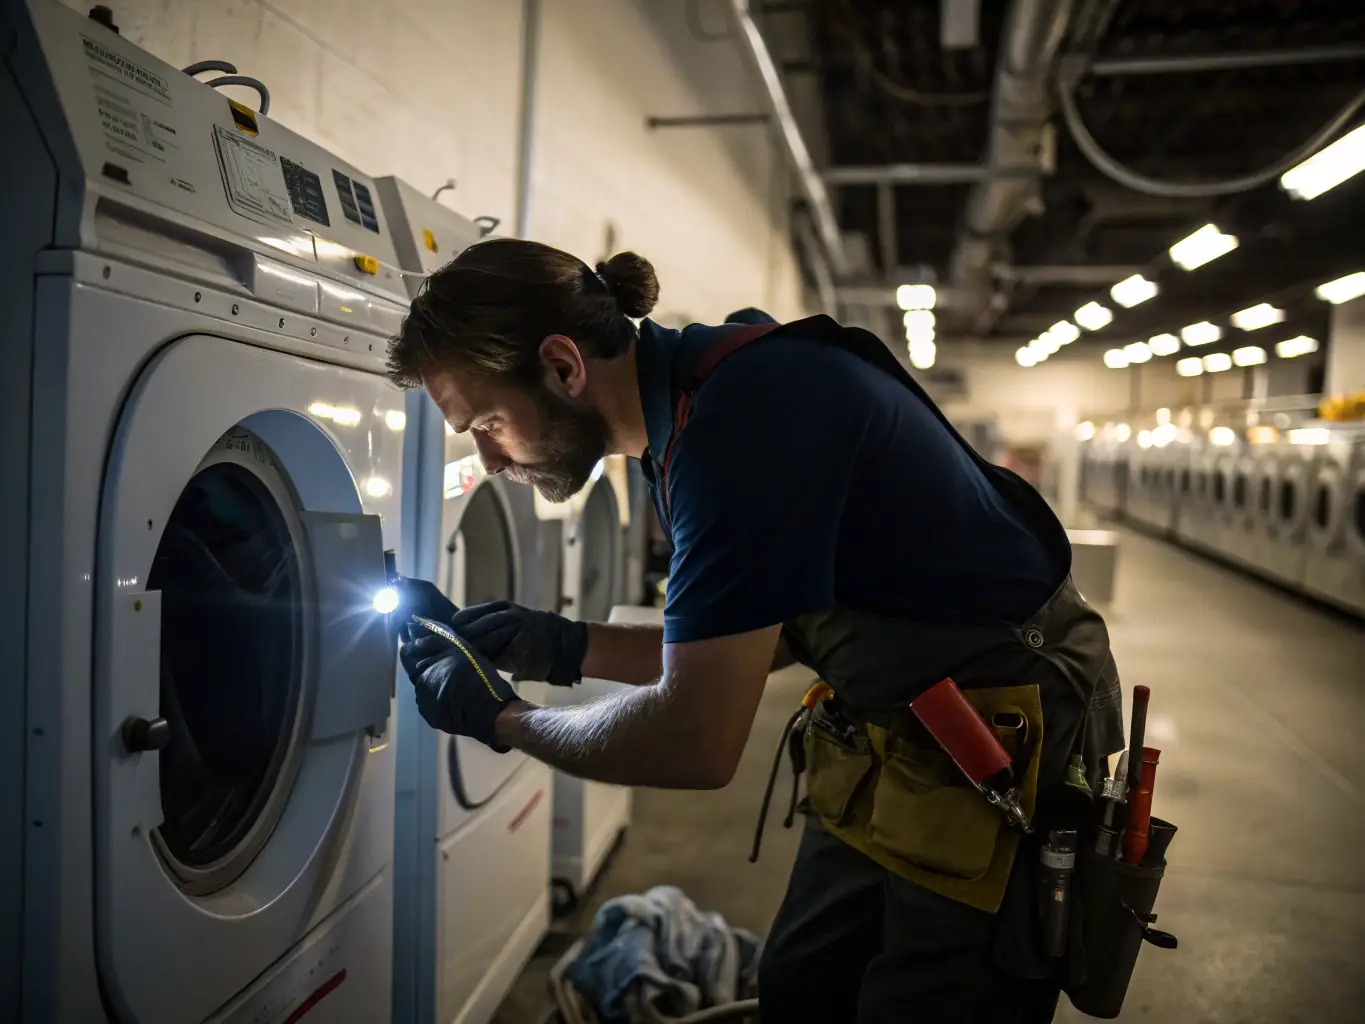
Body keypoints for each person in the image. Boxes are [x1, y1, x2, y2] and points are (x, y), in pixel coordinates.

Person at [386, 239, 1126, 1022]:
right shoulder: (685, 413)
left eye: (489, 421)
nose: (490, 460)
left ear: (564, 366)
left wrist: (501, 718)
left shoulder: (737, 422)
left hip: (1005, 738)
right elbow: (756, 635)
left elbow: (695, 739)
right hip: (894, 732)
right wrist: (559, 645)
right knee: (804, 986)